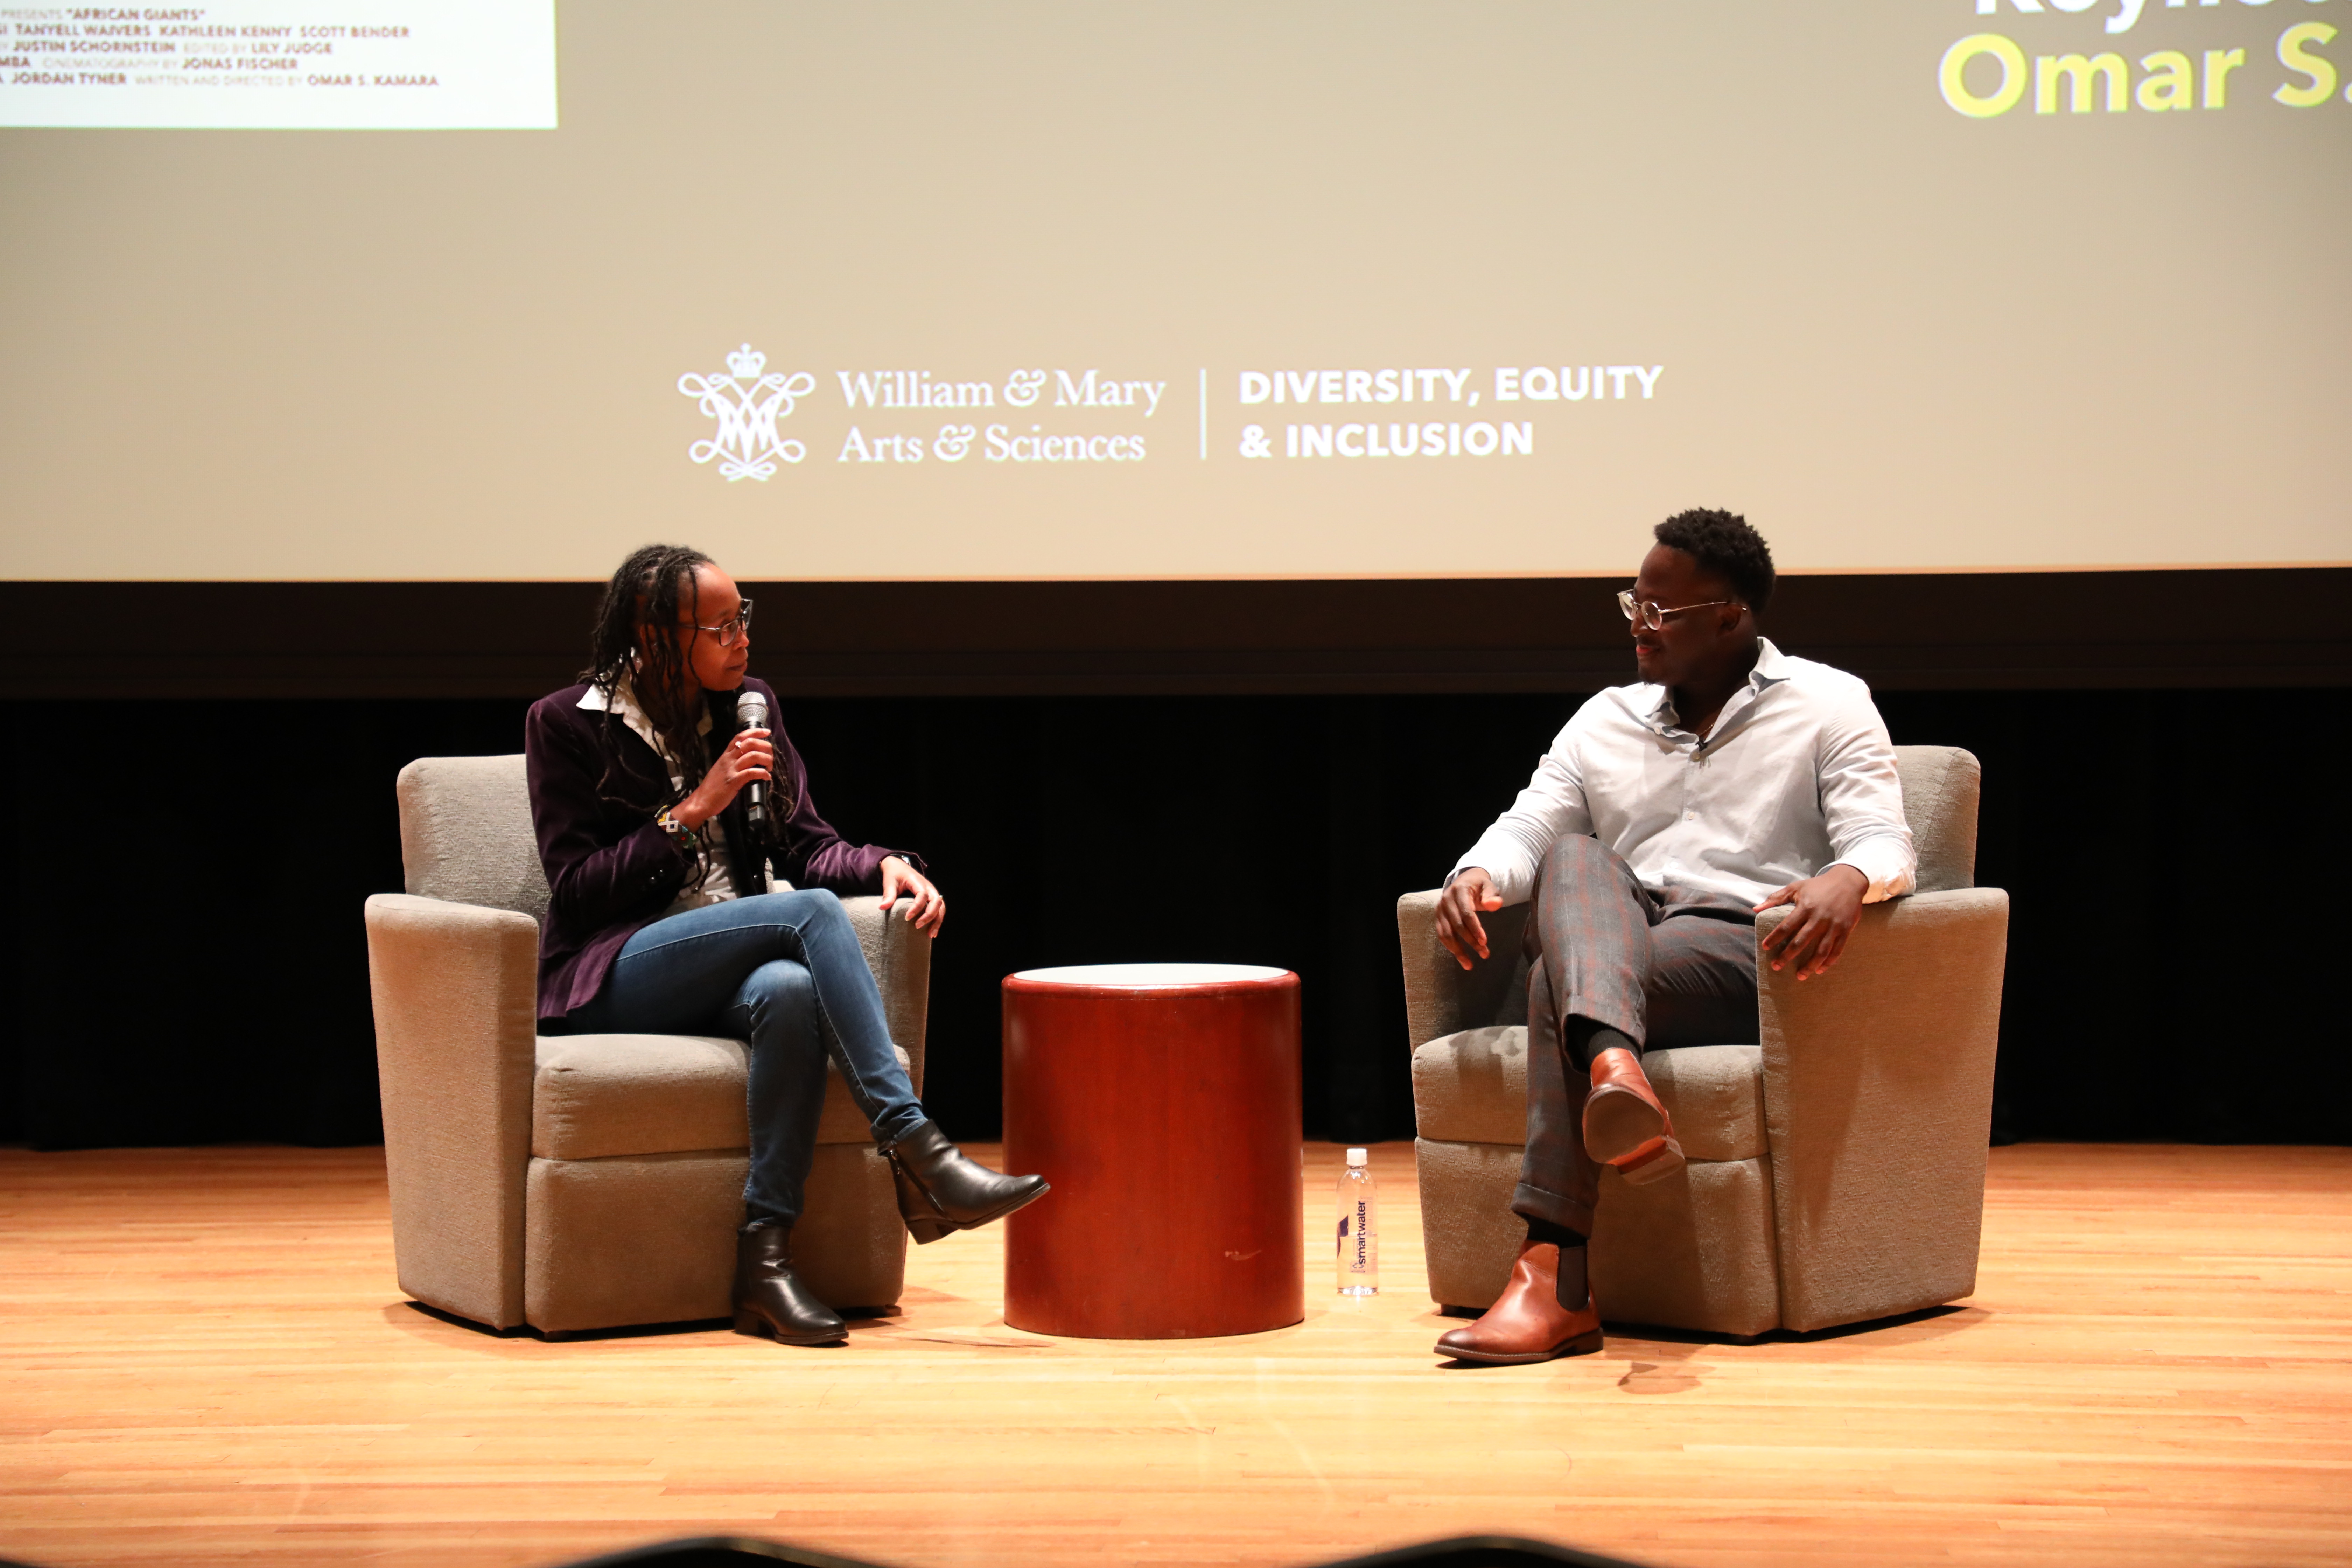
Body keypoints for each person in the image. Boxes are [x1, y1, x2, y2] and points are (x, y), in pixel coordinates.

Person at [526, 544, 1047, 1348]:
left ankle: (765, 1263)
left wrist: (883, 864)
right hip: (613, 968)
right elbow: (578, 890)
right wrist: (693, 809)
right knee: (801, 917)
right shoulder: (566, 723)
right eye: (723, 626)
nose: (744, 639)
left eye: (746, 618)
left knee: (791, 989)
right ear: (660, 637)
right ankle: (920, 1151)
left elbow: (807, 847)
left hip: (732, 959)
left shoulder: (749, 705)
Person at [1429, 510, 1916, 1365]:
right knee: (1576, 857)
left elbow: (1885, 839)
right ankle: (1613, 1073)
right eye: (1633, 604)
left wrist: (1849, 877)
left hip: (1737, 947)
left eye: (1660, 611)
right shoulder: (1604, 718)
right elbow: (1530, 827)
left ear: (1730, 615)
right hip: (1619, 935)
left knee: (1559, 980)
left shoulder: (1829, 702)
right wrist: (1476, 872)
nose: (1637, 626)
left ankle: (1552, 1278)